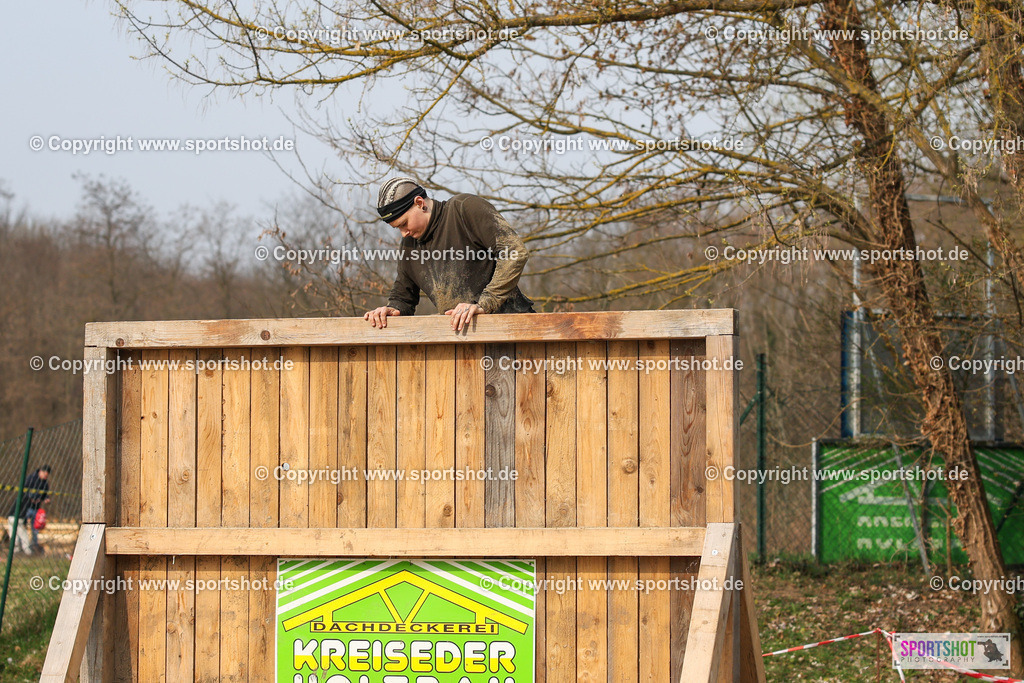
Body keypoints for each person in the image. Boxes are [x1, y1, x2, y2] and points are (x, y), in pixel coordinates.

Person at [364, 177, 534, 332]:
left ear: (419, 203)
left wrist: (484, 304)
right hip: (463, 342)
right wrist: (390, 310)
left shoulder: (464, 209)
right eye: (398, 228)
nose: (403, 233)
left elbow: (514, 252)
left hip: (513, 330)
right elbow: (403, 298)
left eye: (404, 224)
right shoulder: (409, 246)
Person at [6, 466, 50, 554]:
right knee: (20, 528)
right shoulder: (31, 478)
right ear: (41, 471)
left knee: (28, 529)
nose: (45, 477)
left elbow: (45, 494)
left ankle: (30, 547)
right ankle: (21, 548)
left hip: (34, 509)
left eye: (46, 476)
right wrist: (31, 498)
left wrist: (44, 498)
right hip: (27, 507)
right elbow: (25, 490)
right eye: (44, 475)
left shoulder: (45, 483)